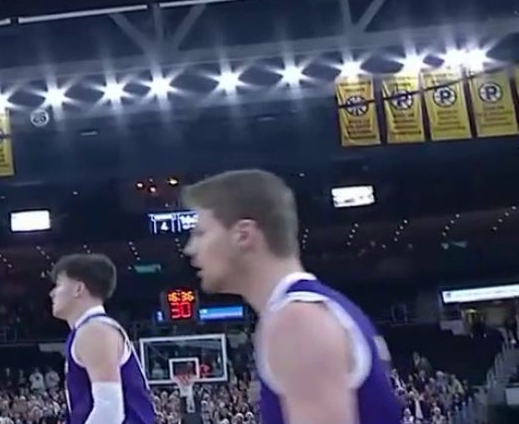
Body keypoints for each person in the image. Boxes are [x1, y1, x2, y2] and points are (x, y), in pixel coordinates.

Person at [181, 169, 400, 424]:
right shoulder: (314, 307)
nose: (190, 249)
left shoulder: (297, 320)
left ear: (243, 234)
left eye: (200, 233)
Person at [48, 253, 156, 424]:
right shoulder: (89, 329)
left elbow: (109, 409)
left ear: (78, 289)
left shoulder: (95, 331)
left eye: (59, 284)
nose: (52, 293)